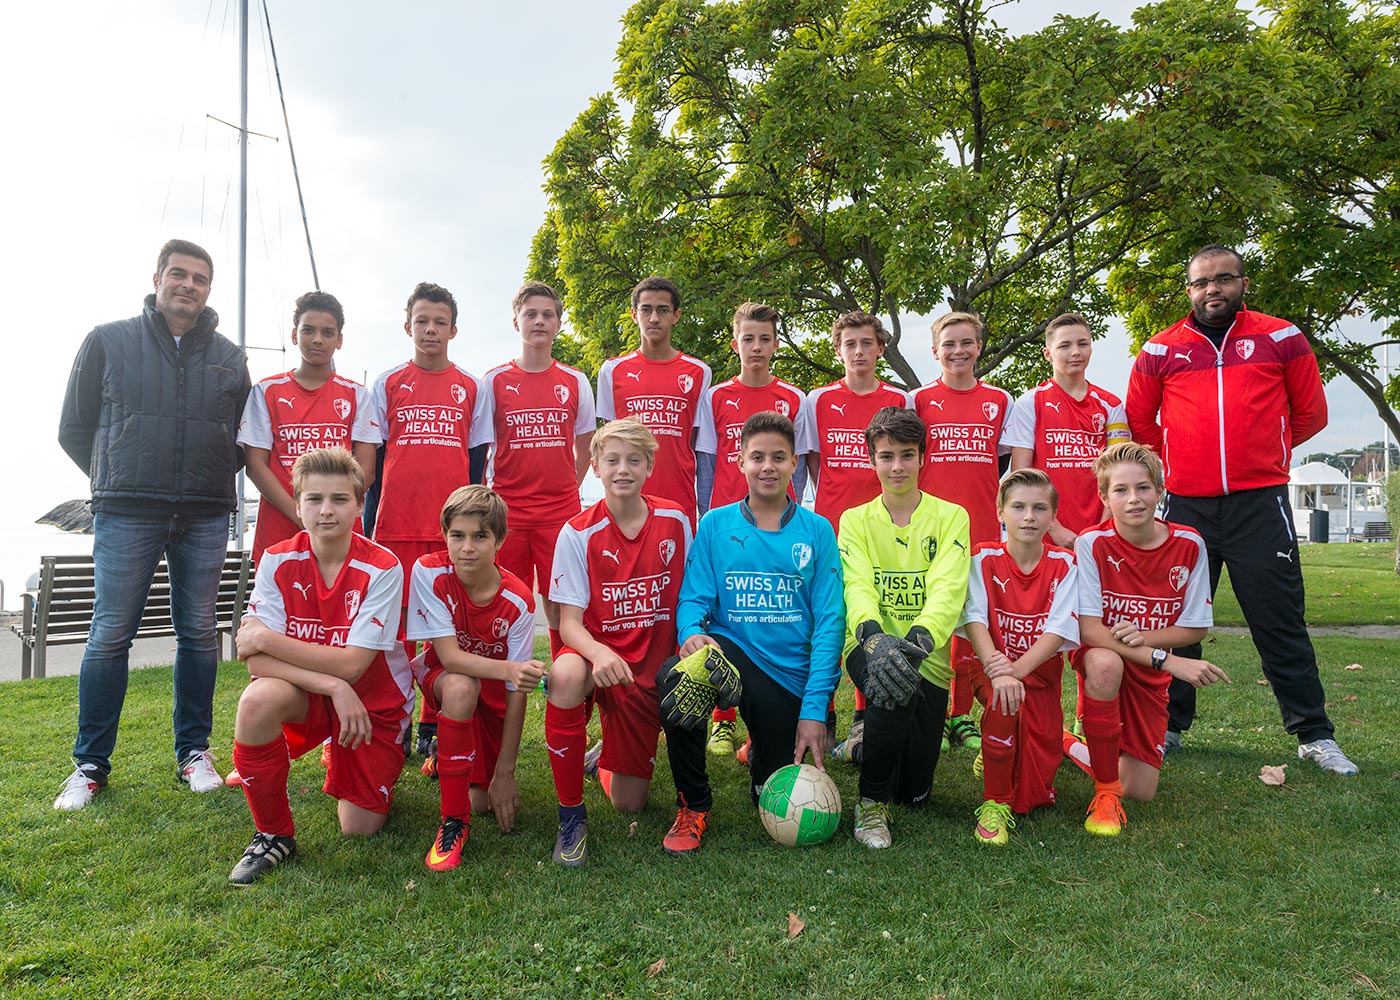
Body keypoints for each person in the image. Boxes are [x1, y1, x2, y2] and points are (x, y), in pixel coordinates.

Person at [1125, 243, 1356, 776]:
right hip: (1186, 506)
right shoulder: (1160, 349)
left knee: (1279, 621)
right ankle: (1167, 728)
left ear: (1243, 284)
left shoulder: (1282, 337)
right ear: (1189, 290)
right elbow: (1140, 422)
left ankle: (1314, 736)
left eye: (1224, 279)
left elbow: (1310, 414)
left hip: (1260, 504)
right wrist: (1183, 462)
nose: (1213, 289)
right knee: (1175, 619)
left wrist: (1263, 453)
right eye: (1202, 282)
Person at [55, 239, 251, 811]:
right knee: (110, 633)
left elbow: (242, 439)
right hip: (126, 511)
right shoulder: (107, 339)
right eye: (179, 274)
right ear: (158, 278)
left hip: (205, 512)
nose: (188, 285)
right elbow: (74, 428)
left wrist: (203, 477)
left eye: (200, 278)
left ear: (208, 289)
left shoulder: (230, 357)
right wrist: (118, 476)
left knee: (198, 633)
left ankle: (194, 752)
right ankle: (90, 765)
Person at [661, 411, 845, 856]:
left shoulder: (817, 531)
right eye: (757, 457)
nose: (768, 466)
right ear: (740, 460)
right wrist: (691, 632)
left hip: (786, 677)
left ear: (795, 463)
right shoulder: (715, 525)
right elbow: (693, 599)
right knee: (678, 679)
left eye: (779, 457)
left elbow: (830, 623)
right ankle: (693, 804)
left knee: (771, 792)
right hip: (732, 651)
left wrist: (814, 710)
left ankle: (759, 747)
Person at [226, 447, 412, 884]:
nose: (326, 510)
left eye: (339, 499)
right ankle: (274, 834)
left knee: (358, 827)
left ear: (359, 505)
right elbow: (255, 661)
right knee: (256, 700)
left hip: (372, 703)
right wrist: (332, 686)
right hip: (321, 694)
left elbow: (352, 665)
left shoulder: (383, 567)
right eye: (314, 499)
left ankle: (347, 753)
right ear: (297, 505)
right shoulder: (277, 559)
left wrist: (267, 638)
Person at [543, 420, 692, 865]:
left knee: (630, 803)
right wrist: (598, 652)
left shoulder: (676, 520)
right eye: (612, 460)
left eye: (633, 460)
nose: (622, 469)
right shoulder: (576, 532)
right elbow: (569, 624)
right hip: (597, 658)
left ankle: (602, 759)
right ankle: (571, 815)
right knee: (565, 673)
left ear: (650, 466)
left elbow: (690, 596)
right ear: (595, 467)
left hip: (646, 671)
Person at [1069, 442, 1229, 837]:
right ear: (1105, 497)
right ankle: (1106, 792)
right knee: (1105, 663)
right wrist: (1169, 660)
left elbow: (1195, 627)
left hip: (1147, 671)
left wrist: (1145, 638)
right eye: (1120, 490)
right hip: (1104, 656)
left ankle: (1062, 741)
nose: (1134, 499)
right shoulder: (1092, 543)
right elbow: (1090, 631)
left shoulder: (1189, 544)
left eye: (1143, 487)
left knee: (1140, 791)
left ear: (1159, 491)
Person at [837, 408, 971, 848]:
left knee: (914, 794)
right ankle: (870, 805)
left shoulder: (952, 516)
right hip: (867, 647)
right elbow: (857, 586)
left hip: (926, 654)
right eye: (886, 456)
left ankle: (859, 747)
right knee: (891, 681)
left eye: (907, 455)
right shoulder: (854, 520)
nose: (897, 466)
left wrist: (916, 642)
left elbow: (947, 589)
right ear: (871, 459)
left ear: (922, 458)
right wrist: (875, 639)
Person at [370, 282, 490, 763]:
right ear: (408, 326)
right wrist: (373, 522)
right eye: (422, 320)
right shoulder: (387, 383)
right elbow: (374, 462)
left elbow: (477, 463)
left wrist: (470, 524)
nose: (430, 329)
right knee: (396, 635)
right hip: (397, 527)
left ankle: (433, 723)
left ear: (453, 330)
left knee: (447, 629)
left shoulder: (472, 387)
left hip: (450, 534)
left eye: (440, 322)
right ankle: (393, 721)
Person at [406, 485, 546, 871]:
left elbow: (516, 691)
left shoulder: (518, 600)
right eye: (458, 535)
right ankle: (453, 823)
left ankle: (445, 757)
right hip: (445, 677)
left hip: (494, 696)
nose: (467, 548)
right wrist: (510, 669)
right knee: (460, 685)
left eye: (480, 537)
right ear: (445, 535)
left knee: (483, 801)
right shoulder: (429, 571)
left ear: (499, 541)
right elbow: (451, 657)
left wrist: (505, 773)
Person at [694, 300, 809, 756]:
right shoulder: (715, 396)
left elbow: (799, 467)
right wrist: (707, 514)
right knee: (726, 614)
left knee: (775, 612)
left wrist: (792, 514)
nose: (756, 347)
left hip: (776, 524)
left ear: (776, 344)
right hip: (729, 524)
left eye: (764, 339)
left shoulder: (794, 398)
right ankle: (722, 720)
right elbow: (706, 461)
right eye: (748, 339)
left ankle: (781, 713)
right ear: (735, 343)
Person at [800, 310, 912, 754]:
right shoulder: (819, 399)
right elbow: (815, 461)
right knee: (826, 620)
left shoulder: (899, 399)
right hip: (831, 527)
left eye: (867, 343)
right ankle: (824, 713)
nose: (859, 351)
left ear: (880, 348)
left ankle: (864, 718)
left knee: (875, 618)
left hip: (881, 527)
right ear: (838, 350)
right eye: (850, 344)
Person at [957, 469, 1078, 847]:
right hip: (989, 668)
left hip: (1039, 677)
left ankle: (999, 751)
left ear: (1052, 516)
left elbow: (1056, 631)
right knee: (1003, 701)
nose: (1029, 516)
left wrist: (1016, 670)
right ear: (1000, 512)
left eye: (1039, 508)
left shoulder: (1066, 564)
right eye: (1018, 507)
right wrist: (999, 671)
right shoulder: (982, 557)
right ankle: (995, 802)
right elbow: (974, 619)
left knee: (1035, 789)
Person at [913, 311, 1014, 756]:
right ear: (935, 350)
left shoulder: (1000, 400)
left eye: (967, 342)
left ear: (979, 347)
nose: (958, 351)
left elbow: (1002, 465)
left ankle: (959, 714)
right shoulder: (917, 400)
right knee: (927, 618)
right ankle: (930, 711)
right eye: (949, 344)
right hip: (928, 529)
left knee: (970, 623)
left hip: (981, 529)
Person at [477, 281, 594, 661]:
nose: (539, 321)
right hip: (507, 512)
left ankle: (563, 675)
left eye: (547, 315)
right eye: (531, 314)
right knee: (503, 597)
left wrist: (567, 487)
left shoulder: (575, 380)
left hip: (559, 512)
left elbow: (586, 444)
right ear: (517, 322)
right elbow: (482, 447)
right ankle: (504, 676)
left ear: (558, 323)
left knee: (559, 600)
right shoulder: (494, 381)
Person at [238, 291, 379, 564]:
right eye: (308, 330)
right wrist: (302, 513)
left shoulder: (357, 395)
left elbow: (366, 470)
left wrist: (329, 511)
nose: (317, 339)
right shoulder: (266, 391)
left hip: (340, 531)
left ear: (339, 340)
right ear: (294, 335)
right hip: (279, 531)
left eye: (328, 332)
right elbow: (255, 465)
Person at [595, 277, 711, 523]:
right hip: (626, 503)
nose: (654, 318)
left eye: (663, 310)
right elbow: (609, 443)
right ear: (634, 314)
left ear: (676, 316)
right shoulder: (612, 371)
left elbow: (695, 444)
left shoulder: (699, 372)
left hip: (679, 501)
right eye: (646, 309)